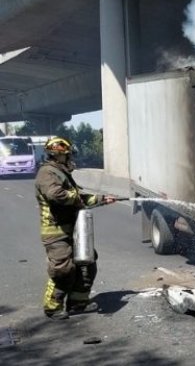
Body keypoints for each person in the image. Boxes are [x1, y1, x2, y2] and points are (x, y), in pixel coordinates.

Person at [35, 136, 116, 320]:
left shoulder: (61, 172)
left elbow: (79, 196)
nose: (70, 157)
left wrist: (102, 199)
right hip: (56, 230)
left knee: (87, 264)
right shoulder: (47, 173)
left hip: (73, 229)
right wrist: (77, 197)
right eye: (68, 154)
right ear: (59, 154)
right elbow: (56, 195)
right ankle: (53, 307)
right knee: (63, 270)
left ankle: (78, 303)